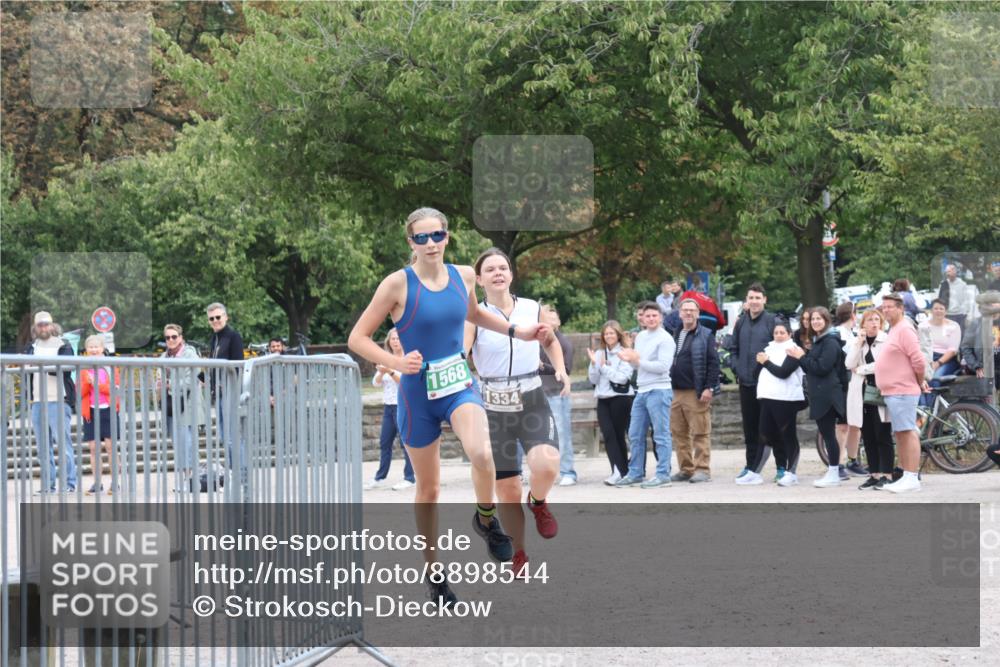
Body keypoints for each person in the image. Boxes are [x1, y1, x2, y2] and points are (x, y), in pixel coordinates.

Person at [347, 207, 550, 605]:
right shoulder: (396, 284)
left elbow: (473, 314)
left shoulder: (464, 275)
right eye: (421, 238)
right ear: (411, 242)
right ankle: (435, 573)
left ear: (447, 236)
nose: (430, 244)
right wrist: (394, 362)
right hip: (416, 394)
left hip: (457, 383)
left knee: (482, 453)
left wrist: (517, 330)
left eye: (436, 236)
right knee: (429, 488)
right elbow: (358, 338)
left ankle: (485, 519)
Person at [466, 248, 569, 579]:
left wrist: (562, 370)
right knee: (507, 490)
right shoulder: (474, 315)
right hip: (493, 405)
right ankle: (519, 553)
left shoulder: (530, 308)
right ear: (479, 279)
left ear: (511, 274)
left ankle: (538, 502)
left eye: (503, 267)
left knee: (547, 464)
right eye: (490, 269)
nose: (498, 273)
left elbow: (549, 340)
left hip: (531, 396)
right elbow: (461, 351)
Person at [615, 301, 676, 488]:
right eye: (647, 315)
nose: (650, 319)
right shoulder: (640, 337)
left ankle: (663, 474)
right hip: (641, 390)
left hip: (659, 390)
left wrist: (638, 360)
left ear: (661, 317)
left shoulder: (665, 339)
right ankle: (635, 473)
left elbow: (663, 367)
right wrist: (630, 360)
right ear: (642, 318)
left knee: (661, 434)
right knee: (634, 434)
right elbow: (636, 365)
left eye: (654, 316)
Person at [787, 307, 847, 488]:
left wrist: (801, 356)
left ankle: (834, 472)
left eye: (819, 319)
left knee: (829, 435)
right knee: (827, 434)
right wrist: (801, 358)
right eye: (813, 319)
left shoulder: (830, 342)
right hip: (819, 394)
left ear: (827, 320)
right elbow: (809, 368)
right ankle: (833, 471)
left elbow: (821, 367)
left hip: (827, 394)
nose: (815, 322)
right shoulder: (819, 341)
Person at [875, 293, 928, 493]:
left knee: (908, 432)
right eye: (884, 306)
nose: (886, 309)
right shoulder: (894, 329)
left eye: (890, 306)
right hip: (893, 391)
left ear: (901, 308)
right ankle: (906, 474)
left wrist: (919, 381)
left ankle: (912, 477)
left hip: (903, 390)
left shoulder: (905, 329)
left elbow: (919, 360)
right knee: (901, 434)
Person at [667, 298, 720, 483]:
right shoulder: (675, 333)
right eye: (685, 310)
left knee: (700, 432)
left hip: (695, 391)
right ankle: (686, 469)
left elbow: (714, 363)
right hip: (674, 391)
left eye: (692, 310)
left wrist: (709, 387)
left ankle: (702, 470)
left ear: (698, 313)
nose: (688, 313)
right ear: (680, 313)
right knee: (679, 433)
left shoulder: (706, 334)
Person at [727, 283, 776, 482]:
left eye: (758, 298)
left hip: (767, 384)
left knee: (771, 428)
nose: (754, 301)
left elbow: (778, 349)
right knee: (750, 429)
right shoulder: (740, 323)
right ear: (746, 301)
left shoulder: (772, 321)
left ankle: (783, 467)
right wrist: (736, 368)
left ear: (764, 299)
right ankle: (750, 467)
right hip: (746, 383)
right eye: (751, 298)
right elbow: (733, 349)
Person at [24, 311, 77, 494]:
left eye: (46, 324)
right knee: (42, 448)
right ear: (35, 327)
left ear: (52, 325)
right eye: (40, 325)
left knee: (64, 445)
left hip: (58, 400)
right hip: (38, 401)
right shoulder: (32, 346)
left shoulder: (63, 344)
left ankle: (69, 483)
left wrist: (42, 365)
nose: (43, 327)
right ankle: (48, 485)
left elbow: (67, 370)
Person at [845, 309, 894, 490]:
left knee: (883, 434)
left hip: (880, 392)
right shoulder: (859, 342)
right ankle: (874, 474)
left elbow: (883, 364)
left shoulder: (886, 340)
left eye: (876, 320)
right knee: (868, 436)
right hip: (861, 394)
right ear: (863, 324)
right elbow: (849, 364)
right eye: (869, 320)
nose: (874, 323)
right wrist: (858, 342)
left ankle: (887, 474)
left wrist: (861, 369)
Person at [753, 319, 805, 486]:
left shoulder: (793, 350)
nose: (779, 335)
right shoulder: (768, 349)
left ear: (789, 334)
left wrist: (766, 362)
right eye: (776, 332)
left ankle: (792, 472)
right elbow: (756, 374)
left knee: (787, 435)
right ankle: (755, 472)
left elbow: (783, 372)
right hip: (767, 397)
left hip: (786, 399)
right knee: (764, 434)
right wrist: (760, 362)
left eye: (782, 332)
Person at [366, 328, 416, 491]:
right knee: (384, 442)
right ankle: (380, 477)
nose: (395, 341)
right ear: (389, 342)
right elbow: (375, 383)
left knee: (405, 443)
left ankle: (409, 477)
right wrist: (381, 373)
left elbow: (403, 383)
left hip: (404, 406)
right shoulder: (386, 359)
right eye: (393, 339)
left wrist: (391, 371)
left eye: (398, 338)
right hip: (388, 407)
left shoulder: (407, 360)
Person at [587, 320, 634, 485]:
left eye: (612, 333)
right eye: (606, 333)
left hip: (621, 399)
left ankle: (622, 471)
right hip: (603, 399)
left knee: (619, 436)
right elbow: (593, 379)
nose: (609, 336)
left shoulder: (625, 353)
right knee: (608, 436)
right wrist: (594, 365)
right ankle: (618, 470)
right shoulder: (599, 354)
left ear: (618, 335)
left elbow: (621, 378)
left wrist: (604, 368)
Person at [160, 324, 205, 493]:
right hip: (172, 406)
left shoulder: (190, 354)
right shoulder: (164, 356)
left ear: (181, 337)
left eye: (174, 336)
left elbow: (190, 380)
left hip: (188, 406)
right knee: (177, 444)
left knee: (187, 443)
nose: (171, 340)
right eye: (167, 337)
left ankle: (192, 480)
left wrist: (169, 385)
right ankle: (183, 479)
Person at [539, 303, 577, 486]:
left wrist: (542, 367)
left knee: (562, 434)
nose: (550, 321)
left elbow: (566, 370)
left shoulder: (563, 343)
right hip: (539, 393)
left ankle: (568, 471)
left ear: (559, 322)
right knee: (542, 437)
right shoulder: (538, 341)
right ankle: (551, 471)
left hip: (557, 393)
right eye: (547, 317)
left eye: (553, 318)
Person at [207, 302, 246, 477]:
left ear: (226, 317)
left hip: (230, 392)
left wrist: (230, 384)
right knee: (224, 435)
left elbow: (238, 364)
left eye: (218, 317)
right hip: (219, 393)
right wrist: (200, 378)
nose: (215, 321)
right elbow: (212, 365)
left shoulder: (233, 336)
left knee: (232, 435)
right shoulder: (214, 338)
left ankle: (240, 470)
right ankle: (232, 470)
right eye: (211, 318)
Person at [79, 335, 120, 495]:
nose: (94, 350)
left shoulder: (111, 365)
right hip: (90, 411)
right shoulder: (83, 367)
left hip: (108, 410)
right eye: (91, 347)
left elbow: (114, 389)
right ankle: (97, 483)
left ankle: (115, 483)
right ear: (87, 350)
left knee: (110, 447)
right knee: (93, 448)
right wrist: (87, 383)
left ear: (102, 348)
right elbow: (80, 392)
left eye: (97, 347)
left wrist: (96, 383)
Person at [833, 301, 866, 478]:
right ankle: (838, 463)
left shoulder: (854, 333)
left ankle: (853, 461)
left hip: (855, 382)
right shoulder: (836, 333)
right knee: (843, 425)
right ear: (852, 314)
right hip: (842, 383)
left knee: (856, 424)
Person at [918, 299, 962, 405]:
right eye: (936, 308)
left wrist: (938, 363)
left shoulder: (953, 326)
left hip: (946, 360)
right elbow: (918, 346)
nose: (938, 311)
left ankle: (928, 411)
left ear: (945, 311)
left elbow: (953, 350)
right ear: (931, 311)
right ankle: (923, 411)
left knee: (934, 379)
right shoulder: (923, 326)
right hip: (926, 357)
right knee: (917, 379)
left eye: (941, 309)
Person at [938, 264, 970, 331]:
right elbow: (939, 299)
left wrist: (965, 312)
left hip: (960, 315)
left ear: (955, 271)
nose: (948, 274)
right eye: (947, 272)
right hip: (947, 314)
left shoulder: (962, 284)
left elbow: (966, 299)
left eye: (949, 271)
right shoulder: (943, 284)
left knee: (960, 334)